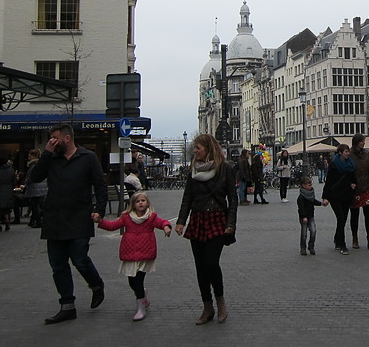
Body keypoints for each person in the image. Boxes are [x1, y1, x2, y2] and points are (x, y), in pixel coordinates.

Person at [30, 123, 108, 324]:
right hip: (54, 219)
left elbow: (100, 184)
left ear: (67, 138)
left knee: (80, 259)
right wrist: (46, 154)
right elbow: (35, 177)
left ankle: (96, 285)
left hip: (79, 217)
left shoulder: (87, 158)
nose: (51, 142)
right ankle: (67, 306)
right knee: (58, 265)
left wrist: (99, 210)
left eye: (54, 138)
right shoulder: (52, 158)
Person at [175, 133, 238, 325]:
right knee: (200, 267)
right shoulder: (193, 170)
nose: (195, 151)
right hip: (198, 219)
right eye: (194, 148)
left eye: (198, 148)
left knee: (211, 263)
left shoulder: (225, 169)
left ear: (208, 149)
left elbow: (233, 199)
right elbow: (187, 197)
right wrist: (181, 221)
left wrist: (231, 224)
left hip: (217, 218)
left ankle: (221, 302)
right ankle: (207, 306)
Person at [95, 192, 172, 320]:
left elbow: (162, 222)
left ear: (147, 203)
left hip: (145, 253)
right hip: (130, 252)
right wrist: (101, 221)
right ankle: (143, 297)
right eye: (138, 201)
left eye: (143, 200)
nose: (140, 203)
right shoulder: (126, 217)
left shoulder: (151, 217)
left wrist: (166, 227)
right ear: (133, 205)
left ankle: (141, 308)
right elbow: (113, 226)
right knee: (132, 281)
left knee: (139, 280)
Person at [322, 144, 355, 255]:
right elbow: (329, 181)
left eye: (348, 151)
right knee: (341, 218)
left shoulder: (350, 164)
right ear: (340, 152)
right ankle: (342, 244)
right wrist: (325, 197)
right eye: (346, 151)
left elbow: (353, 178)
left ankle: (337, 238)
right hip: (335, 195)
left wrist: (353, 184)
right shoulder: (334, 164)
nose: (348, 153)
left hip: (346, 195)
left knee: (343, 219)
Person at [349, 134, 369, 250]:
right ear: (356, 142)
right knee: (355, 215)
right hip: (355, 189)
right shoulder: (350, 155)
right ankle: (355, 238)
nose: (364, 143)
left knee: (368, 214)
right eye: (362, 141)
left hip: (365, 188)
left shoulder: (366, 155)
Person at [297, 176, 324, 255]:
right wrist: (304, 216)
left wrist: (321, 203)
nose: (311, 186)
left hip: (311, 216)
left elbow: (313, 201)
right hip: (304, 217)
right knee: (304, 234)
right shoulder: (301, 197)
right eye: (309, 185)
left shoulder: (311, 194)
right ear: (303, 185)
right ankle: (303, 248)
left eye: (311, 185)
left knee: (313, 231)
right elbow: (301, 208)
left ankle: (311, 246)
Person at [24, 148, 47, 229]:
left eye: (30, 155)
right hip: (41, 187)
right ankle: (33, 221)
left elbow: (31, 177)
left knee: (35, 205)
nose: (29, 157)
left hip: (35, 188)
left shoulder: (33, 165)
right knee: (36, 204)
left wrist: (26, 182)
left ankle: (38, 221)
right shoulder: (40, 164)